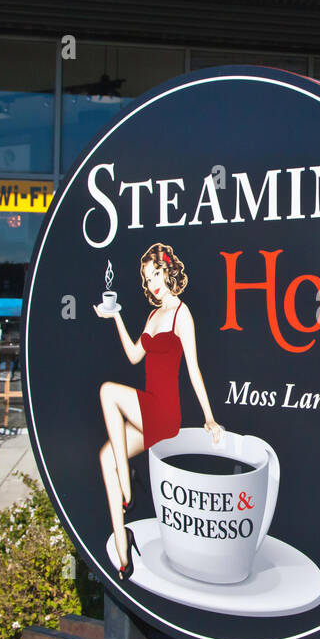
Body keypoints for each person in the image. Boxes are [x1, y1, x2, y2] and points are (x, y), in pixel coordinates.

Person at [93, 242, 223, 579]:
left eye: (157, 273)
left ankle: (126, 487)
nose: (152, 282)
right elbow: (135, 356)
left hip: (164, 412)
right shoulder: (153, 315)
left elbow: (193, 368)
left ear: (170, 272)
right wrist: (116, 316)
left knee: (109, 392)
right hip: (147, 408)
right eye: (148, 277)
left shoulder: (182, 314)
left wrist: (209, 417)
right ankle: (123, 544)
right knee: (106, 456)